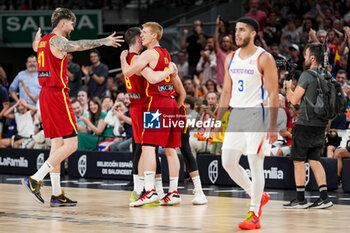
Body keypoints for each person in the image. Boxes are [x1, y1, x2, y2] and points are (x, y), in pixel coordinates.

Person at [22, 7, 123, 207]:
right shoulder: (58, 41)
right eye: (71, 23)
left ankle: (57, 194)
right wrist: (102, 41)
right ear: (63, 22)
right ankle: (35, 179)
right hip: (57, 94)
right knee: (72, 144)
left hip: (46, 95)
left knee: (57, 145)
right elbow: (77, 46)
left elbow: (35, 46)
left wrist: (36, 38)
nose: (73, 27)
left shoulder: (42, 42)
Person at [215, 17, 278, 230]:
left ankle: (254, 213)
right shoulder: (230, 58)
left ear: (253, 34)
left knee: (255, 162)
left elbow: (273, 92)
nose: (237, 34)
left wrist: (272, 125)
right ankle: (258, 194)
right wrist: (218, 119)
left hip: (257, 114)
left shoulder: (264, 58)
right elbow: (225, 91)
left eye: (241, 30)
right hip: (236, 115)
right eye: (236, 30)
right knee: (228, 162)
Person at [120, 22, 186, 207]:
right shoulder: (166, 54)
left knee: (148, 148)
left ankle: (150, 192)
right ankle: (173, 192)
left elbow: (128, 72)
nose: (141, 36)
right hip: (171, 103)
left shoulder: (148, 54)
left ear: (154, 36)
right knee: (170, 150)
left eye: (145, 33)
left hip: (156, 104)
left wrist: (124, 57)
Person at [285, 42, 333, 209]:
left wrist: (286, 86)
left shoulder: (307, 75)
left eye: (305, 55)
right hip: (320, 124)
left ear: (312, 58)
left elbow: (293, 100)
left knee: (298, 161)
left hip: (305, 123)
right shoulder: (328, 75)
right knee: (314, 160)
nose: (304, 58)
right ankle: (324, 198)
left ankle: (300, 199)